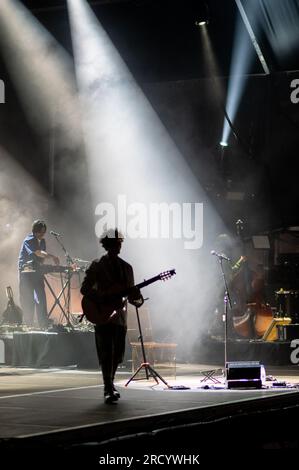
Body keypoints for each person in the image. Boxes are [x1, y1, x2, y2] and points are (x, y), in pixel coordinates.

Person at [80, 228, 143, 404]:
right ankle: (108, 386)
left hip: (120, 317)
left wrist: (137, 297)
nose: (118, 246)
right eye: (115, 243)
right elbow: (85, 289)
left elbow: (133, 299)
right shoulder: (97, 265)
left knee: (117, 355)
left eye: (119, 243)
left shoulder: (127, 268)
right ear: (108, 245)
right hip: (102, 315)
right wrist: (101, 298)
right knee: (106, 352)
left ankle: (110, 383)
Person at [18, 220, 60, 329]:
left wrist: (44, 266)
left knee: (41, 297)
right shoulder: (29, 239)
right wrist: (52, 257)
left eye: (44, 232)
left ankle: (43, 323)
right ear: (35, 231)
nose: (42, 235)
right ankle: (29, 325)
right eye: (41, 232)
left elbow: (41, 257)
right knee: (28, 299)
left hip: (36, 272)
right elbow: (38, 253)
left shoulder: (42, 241)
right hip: (26, 274)